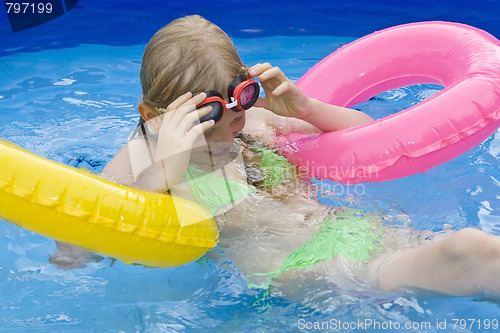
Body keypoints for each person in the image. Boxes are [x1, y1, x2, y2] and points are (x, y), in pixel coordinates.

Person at [51, 15, 500, 299]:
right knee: (469, 250)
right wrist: (166, 168)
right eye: (206, 118)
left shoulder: (259, 123)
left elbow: (373, 140)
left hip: (354, 231)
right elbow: (75, 252)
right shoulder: (138, 159)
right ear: (152, 115)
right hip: (306, 273)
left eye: (240, 102)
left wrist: (307, 109)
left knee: (473, 251)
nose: (232, 125)